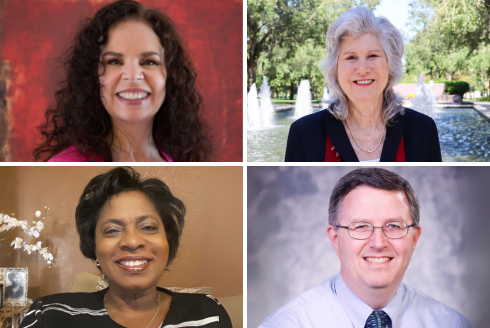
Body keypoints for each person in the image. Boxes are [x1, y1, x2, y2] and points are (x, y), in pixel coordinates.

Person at [20, 167, 231, 328]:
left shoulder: (206, 314)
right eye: (112, 230)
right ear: (93, 247)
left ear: (168, 241)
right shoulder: (47, 316)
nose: (132, 241)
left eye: (148, 227)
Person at [259, 168, 471, 327]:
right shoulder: (288, 324)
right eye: (360, 227)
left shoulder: (452, 323)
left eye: (394, 226)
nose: (378, 243)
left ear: (414, 238)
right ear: (335, 239)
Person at [33, 0, 212, 162]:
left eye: (149, 61)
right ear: (92, 77)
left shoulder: (180, 162)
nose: (133, 76)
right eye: (114, 62)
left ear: (170, 76)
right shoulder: (65, 166)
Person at [285, 7, 442, 162]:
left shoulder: (423, 129)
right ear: (336, 69)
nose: (362, 69)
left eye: (372, 55)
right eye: (351, 57)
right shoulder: (304, 133)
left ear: (390, 65)